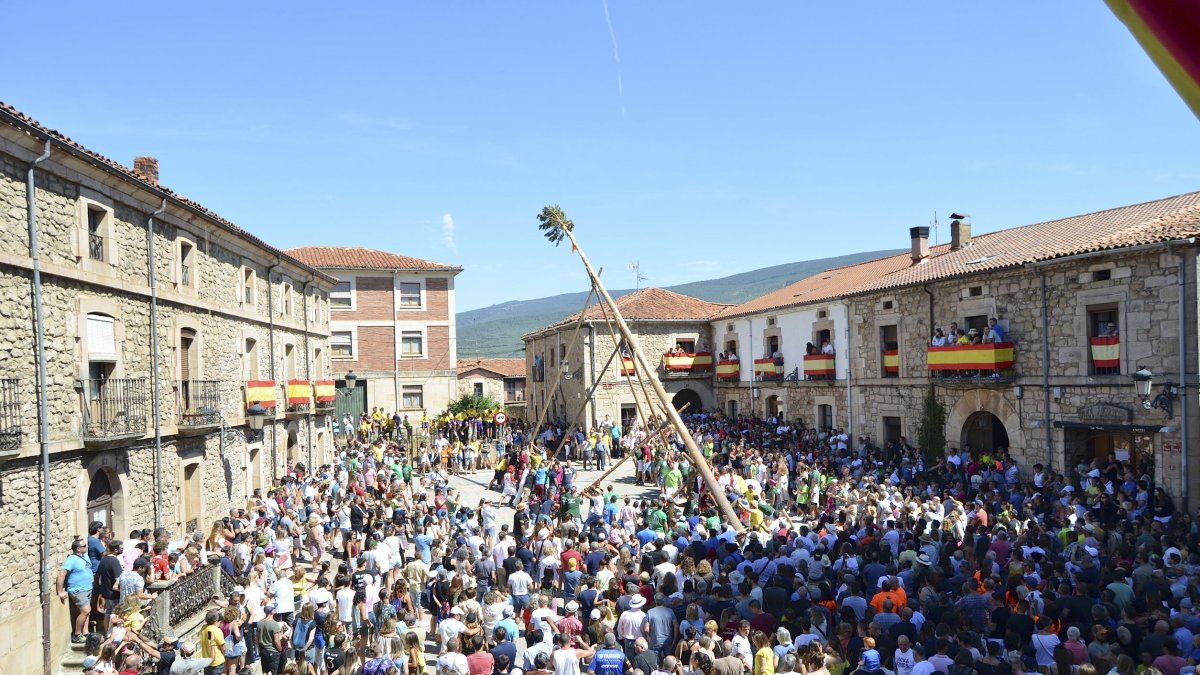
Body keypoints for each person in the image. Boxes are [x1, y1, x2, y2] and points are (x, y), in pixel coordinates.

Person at [57, 538, 93, 643]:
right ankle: (77, 634)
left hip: (87, 588)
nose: (87, 547)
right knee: (85, 611)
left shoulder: (85, 556)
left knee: (87, 612)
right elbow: (61, 574)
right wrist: (60, 591)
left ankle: (85, 633)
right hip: (78, 590)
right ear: (78, 549)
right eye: (84, 546)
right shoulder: (71, 559)